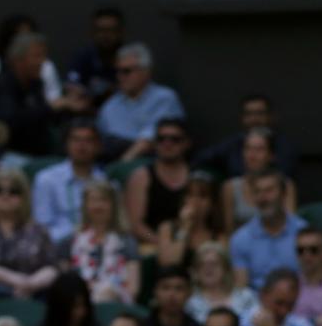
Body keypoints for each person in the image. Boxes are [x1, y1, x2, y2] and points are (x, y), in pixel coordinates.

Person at [0, 168, 57, 298]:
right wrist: (10, 278)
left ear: (24, 196)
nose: (5, 195)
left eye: (13, 191)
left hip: (31, 296)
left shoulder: (38, 230)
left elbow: (52, 268)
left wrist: (30, 284)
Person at [98, 44, 187, 161]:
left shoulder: (164, 98)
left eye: (126, 71)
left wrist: (123, 163)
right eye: (117, 71)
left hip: (153, 161)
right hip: (112, 160)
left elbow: (151, 139)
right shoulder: (109, 106)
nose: (120, 77)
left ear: (146, 71)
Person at [0, 31, 60, 158]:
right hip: (7, 155)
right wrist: (50, 108)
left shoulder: (35, 84)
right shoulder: (3, 85)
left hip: (37, 154)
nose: (42, 62)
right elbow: (11, 123)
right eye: (37, 56)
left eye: (43, 56)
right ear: (18, 60)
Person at [62, 179, 140, 304]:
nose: (98, 206)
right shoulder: (70, 241)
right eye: (93, 200)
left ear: (113, 205)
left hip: (116, 302)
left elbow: (133, 289)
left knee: (107, 291)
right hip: (78, 302)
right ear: (85, 205)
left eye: (104, 200)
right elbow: (64, 284)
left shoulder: (127, 241)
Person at [33, 120, 109, 246]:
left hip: (98, 245)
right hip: (56, 245)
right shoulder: (46, 179)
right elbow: (42, 227)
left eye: (88, 140)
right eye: (76, 140)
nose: (82, 146)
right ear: (66, 144)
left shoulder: (106, 182)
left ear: (98, 146)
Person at [123, 117, 193, 253]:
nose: (167, 143)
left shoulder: (195, 176)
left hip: (189, 244)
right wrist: (160, 242)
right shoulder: (141, 177)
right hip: (152, 245)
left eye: (175, 139)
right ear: (155, 143)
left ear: (186, 143)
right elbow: (136, 225)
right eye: (161, 139)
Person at [228, 171, 305, 289]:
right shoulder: (240, 239)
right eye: (257, 192)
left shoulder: (303, 232)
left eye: (269, 191)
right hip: (256, 299)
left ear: (283, 194)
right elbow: (241, 289)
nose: (263, 198)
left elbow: (311, 281)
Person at [196, 93, 301, 179]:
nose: (254, 119)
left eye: (260, 113)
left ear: (271, 116)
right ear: (242, 118)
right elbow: (202, 158)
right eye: (249, 114)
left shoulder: (283, 145)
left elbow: (284, 175)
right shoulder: (234, 142)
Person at [221, 129, 298, 231]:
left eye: (259, 149)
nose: (252, 155)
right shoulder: (230, 187)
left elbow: (291, 226)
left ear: (271, 155)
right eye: (248, 148)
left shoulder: (286, 184)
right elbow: (228, 230)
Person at [155, 172, 225, 271]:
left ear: (212, 203)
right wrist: (184, 228)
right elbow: (168, 263)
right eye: (190, 194)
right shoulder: (167, 228)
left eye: (202, 196)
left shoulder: (219, 236)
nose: (195, 200)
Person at [188, 241, 260, 325]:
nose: (208, 268)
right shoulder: (189, 303)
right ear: (196, 271)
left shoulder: (246, 297)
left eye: (214, 264)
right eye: (202, 264)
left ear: (226, 268)